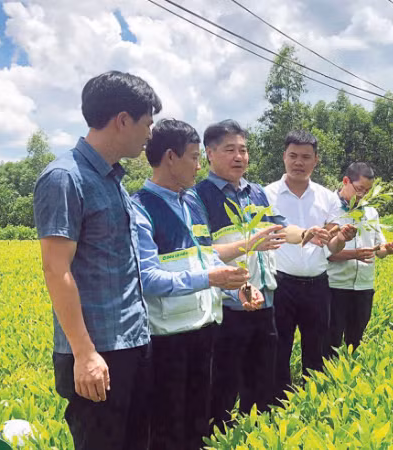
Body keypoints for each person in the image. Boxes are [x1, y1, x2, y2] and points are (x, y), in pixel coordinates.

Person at [33, 71, 161, 450]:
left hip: (133, 340)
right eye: (147, 123)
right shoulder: (64, 178)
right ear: (122, 120)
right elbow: (56, 269)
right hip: (98, 352)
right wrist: (84, 352)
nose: (150, 134)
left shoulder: (112, 179)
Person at [130, 118, 252, 449]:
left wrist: (234, 287)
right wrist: (210, 278)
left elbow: (206, 256)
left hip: (205, 329)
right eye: (195, 157)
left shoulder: (192, 202)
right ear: (171, 157)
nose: (199, 166)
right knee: (168, 429)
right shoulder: (140, 209)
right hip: (168, 338)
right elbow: (147, 278)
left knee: (199, 423)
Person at [194, 119, 292, 431]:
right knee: (222, 388)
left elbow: (280, 229)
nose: (239, 157)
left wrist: (310, 235)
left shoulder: (257, 193)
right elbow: (202, 253)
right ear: (210, 153)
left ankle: (255, 437)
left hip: (264, 303)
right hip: (227, 309)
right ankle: (218, 438)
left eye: (243, 150)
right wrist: (249, 246)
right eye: (230, 150)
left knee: (262, 384)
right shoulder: (199, 197)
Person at [264, 130, 357, 400]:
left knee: (317, 348)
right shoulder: (266, 195)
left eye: (306, 157)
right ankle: (279, 404)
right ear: (284, 156)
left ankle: (313, 403)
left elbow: (332, 247)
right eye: (293, 155)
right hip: (280, 284)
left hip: (317, 285)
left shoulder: (327, 198)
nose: (298, 162)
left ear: (316, 160)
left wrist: (341, 238)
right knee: (279, 347)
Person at [326, 162, 393, 358]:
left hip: (363, 286)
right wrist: (355, 254)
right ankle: (328, 375)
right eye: (359, 189)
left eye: (367, 191)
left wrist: (387, 250)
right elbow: (326, 252)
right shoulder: (329, 209)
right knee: (330, 341)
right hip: (335, 286)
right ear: (346, 181)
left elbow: (378, 249)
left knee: (356, 340)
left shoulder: (370, 212)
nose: (363, 195)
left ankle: (350, 371)